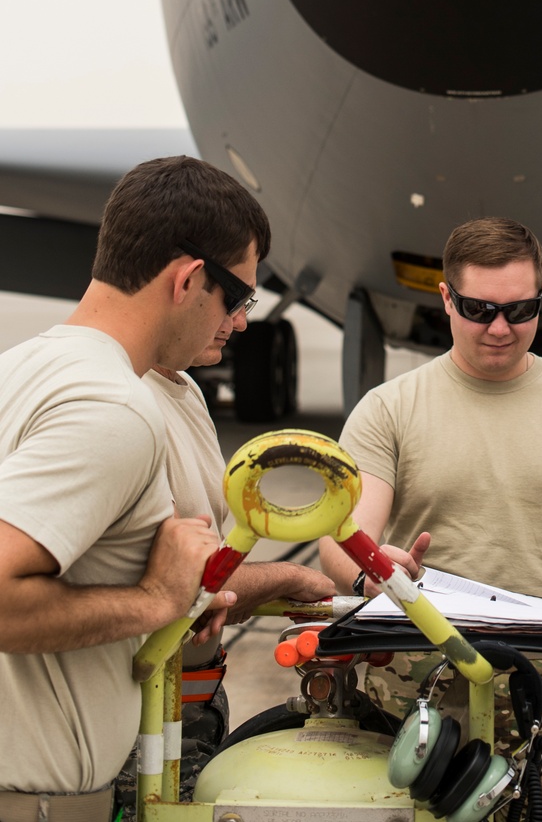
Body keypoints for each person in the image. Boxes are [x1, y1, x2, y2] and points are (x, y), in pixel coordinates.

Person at [321, 217, 542, 822]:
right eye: (480, 309)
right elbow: (344, 539)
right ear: (446, 299)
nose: (501, 328)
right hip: (417, 687)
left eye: (520, 309)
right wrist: (373, 574)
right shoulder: (390, 409)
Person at [0, 155, 269, 816]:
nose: (236, 322)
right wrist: (155, 599)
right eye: (237, 297)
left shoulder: (24, 368)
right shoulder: (114, 408)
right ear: (190, 279)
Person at [114, 326, 336, 815]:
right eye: (234, 297)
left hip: (194, 702)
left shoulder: (187, 389)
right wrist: (289, 579)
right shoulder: (125, 405)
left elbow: (203, 571)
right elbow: (181, 582)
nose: (240, 322)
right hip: (136, 718)